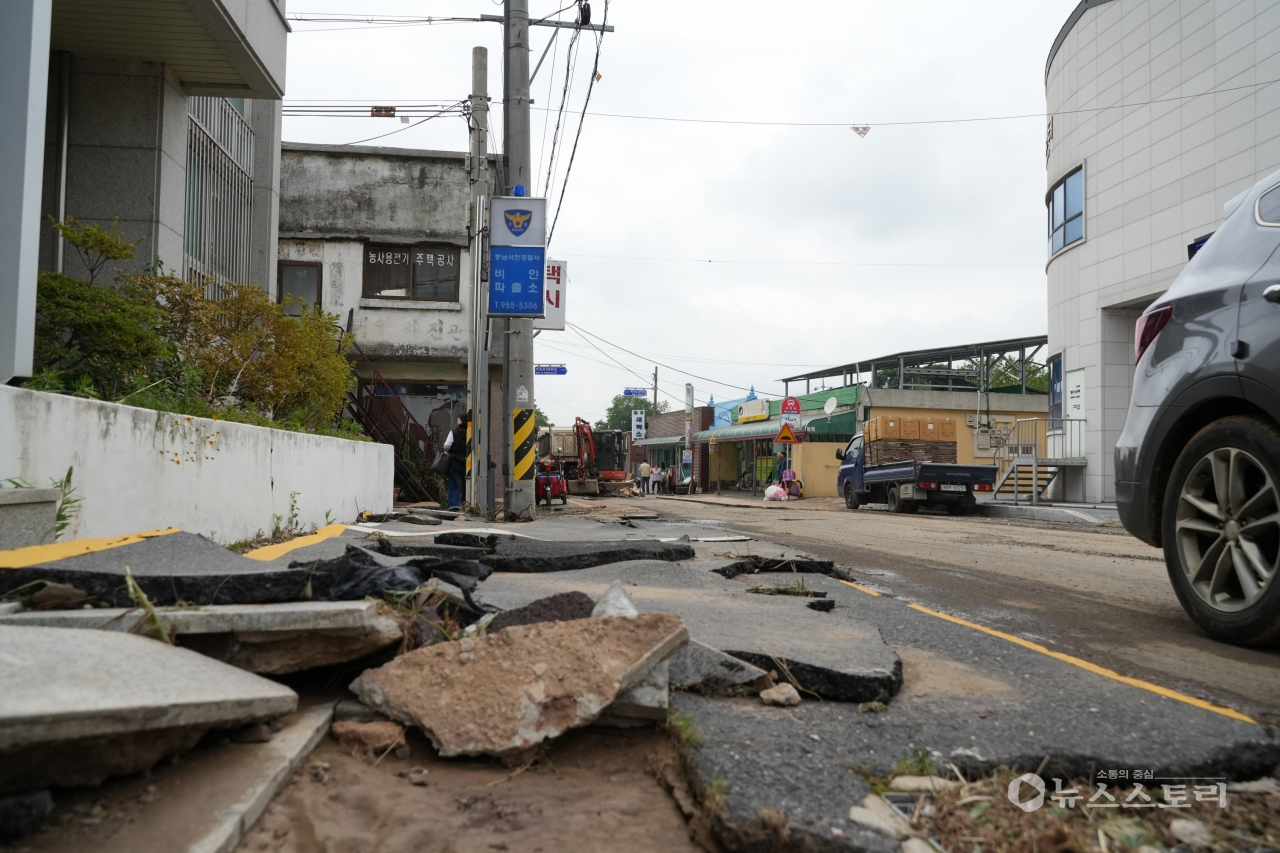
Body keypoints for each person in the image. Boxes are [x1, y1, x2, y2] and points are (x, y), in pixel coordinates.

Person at [442, 413, 468, 510]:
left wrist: (444, 447)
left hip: (455, 461)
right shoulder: (470, 433)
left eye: (458, 419)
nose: (457, 421)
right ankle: (467, 505)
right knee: (467, 483)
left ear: (461, 421)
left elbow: (447, 446)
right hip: (467, 462)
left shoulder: (454, 432)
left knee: (454, 483)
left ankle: (454, 506)